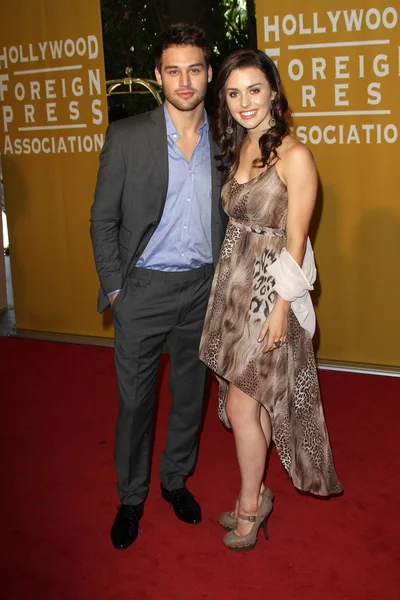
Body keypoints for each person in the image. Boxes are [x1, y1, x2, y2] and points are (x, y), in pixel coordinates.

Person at [199, 49, 343, 552]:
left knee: (241, 405)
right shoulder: (241, 145)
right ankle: (257, 491)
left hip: (268, 297)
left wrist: (282, 308)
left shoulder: (295, 155)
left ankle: (248, 507)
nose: (244, 102)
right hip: (233, 292)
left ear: (274, 93)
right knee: (250, 401)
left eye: (254, 90)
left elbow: (297, 240)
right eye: (233, 93)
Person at [90, 24, 227, 550]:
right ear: (158, 76)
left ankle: (175, 481)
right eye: (174, 70)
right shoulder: (127, 137)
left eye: (195, 68)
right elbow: (102, 221)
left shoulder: (225, 136)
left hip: (201, 288)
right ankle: (130, 498)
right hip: (142, 289)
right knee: (135, 403)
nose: (185, 80)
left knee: (190, 396)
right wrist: (118, 290)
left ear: (209, 73)